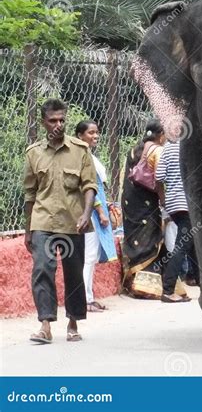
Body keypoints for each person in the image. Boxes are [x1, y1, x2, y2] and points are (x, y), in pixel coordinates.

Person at [23, 98, 97, 344]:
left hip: (72, 222)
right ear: (44, 122)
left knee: (73, 273)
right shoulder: (33, 154)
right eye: (53, 120)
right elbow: (30, 194)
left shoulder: (80, 150)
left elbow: (89, 186)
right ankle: (45, 324)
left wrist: (86, 214)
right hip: (42, 221)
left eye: (62, 120)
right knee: (42, 269)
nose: (58, 124)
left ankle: (73, 322)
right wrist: (27, 230)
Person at [75, 120, 117, 312]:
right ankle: (85, 299)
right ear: (79, 136)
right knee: (88, 256)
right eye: (90, 133)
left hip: (93, 210)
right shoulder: (82, 157)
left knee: (90, 257)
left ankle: (89, 297)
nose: (95, 136)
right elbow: (87, 187)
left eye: (97, 132)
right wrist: (100, 211)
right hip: (89, 212)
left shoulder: (89, 155)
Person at [121, 120, 166, 294]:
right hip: (148, 202)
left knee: (135, 237)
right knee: (150, 238)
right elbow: (160, 179)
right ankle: (147, 287)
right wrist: (163, 200)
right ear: (160, 135)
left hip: (131, 203)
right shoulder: (157, 150)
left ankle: (132, 283)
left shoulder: (133, 150)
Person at [155, 137, 197, 303]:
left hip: (173, 204)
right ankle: (168, 290)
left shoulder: (167, 147)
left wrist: (164, 201)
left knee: (192, 244)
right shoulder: (191, 145)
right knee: (182, 245)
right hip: (188, 202)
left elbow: (158, 178)